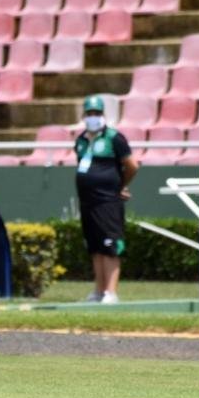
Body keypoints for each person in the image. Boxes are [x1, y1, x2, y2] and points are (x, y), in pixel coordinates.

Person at [74, 95, 139, 304]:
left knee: (110, 244)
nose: (93, 117)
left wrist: (120, 185)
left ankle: (111, 292)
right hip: (87, 201)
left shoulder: (114, 138)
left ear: (103, 115)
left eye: (97, 113)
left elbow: (131, 165)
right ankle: (99, 290)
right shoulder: (81, 140)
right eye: (89, 113)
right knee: (94, 246)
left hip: (107, 201)